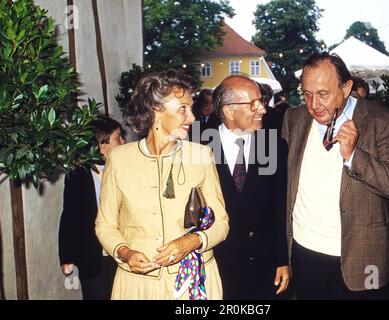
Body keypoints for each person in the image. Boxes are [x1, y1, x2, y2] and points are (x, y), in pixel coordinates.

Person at [281, 52, 389, 299]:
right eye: (307, 94)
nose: (313, 105)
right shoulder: (294, 118)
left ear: (346, 87)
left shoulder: (381, 121)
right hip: (304, 252)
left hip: (362, 258)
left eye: (323, 94)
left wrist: (354, 155)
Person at [95, 69, 229, 300]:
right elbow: (104, 225)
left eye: (191, 107)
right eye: (182, 109)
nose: (192, 118)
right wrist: (125, 252)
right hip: (137, 284)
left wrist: (193, 241)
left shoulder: (201, 155)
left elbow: (222, 222)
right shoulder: (119, 159)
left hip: (193, 280)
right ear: (156, 111)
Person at [211, 75, 290, 299]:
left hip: (264, 266)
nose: (263, 110)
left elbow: (280, 207)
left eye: (261, 102)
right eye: (253, 104)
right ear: (228, 110)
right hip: (217, 264)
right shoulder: (198, 147)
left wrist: (282, 259)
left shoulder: (274, 145)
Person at [58, 115, 125, 299]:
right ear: (102, 146)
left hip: (123, 253)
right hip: (93, 256)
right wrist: (66, 257)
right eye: (118, 138)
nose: (123, 141)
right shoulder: (77, 175)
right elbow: (70, 216)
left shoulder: (124, 169)